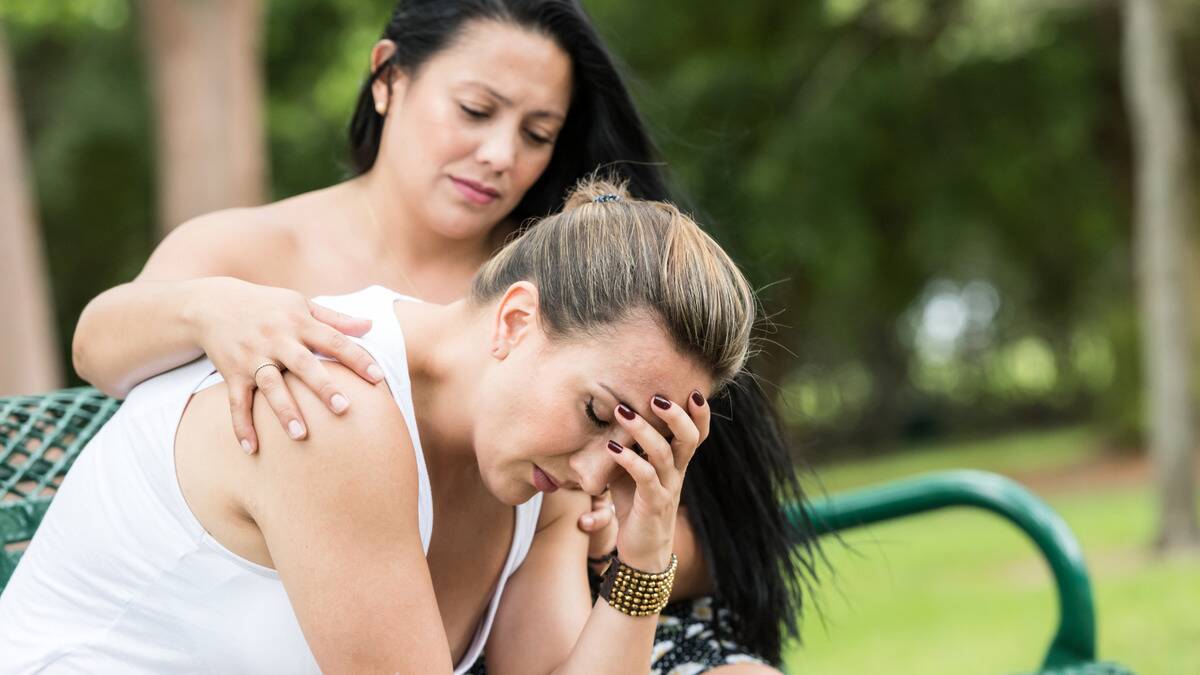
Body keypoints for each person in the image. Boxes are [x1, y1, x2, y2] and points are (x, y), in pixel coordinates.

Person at [70, 1, 817, 670]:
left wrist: (632, 552)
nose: (500, 153)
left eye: (536, 132)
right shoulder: (321, 361)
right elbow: (99, 347)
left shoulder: (568, 345)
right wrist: (210, 308)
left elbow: (705, 540)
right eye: (475, 109)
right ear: (388, 79)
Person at [0, 180, 754, 673]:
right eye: (598, 413)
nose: (597, 474)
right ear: (517, 320)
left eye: (628, 451)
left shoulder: (537, 471)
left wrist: (646, 549)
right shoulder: (335, 402)